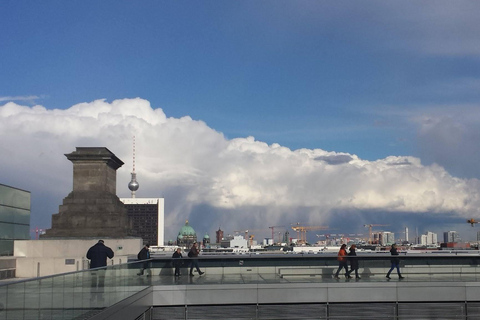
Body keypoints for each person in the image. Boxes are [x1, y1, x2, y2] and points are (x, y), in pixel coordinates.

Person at [86, 240, 114, 304]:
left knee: (93, 281)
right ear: (103, 243)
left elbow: (88, 256)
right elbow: (111, 256)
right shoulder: (106, 248)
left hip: (93, 267)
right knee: (101, 282)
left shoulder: (92, 248)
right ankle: (100, 295)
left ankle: (93, 295)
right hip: (102, 268)